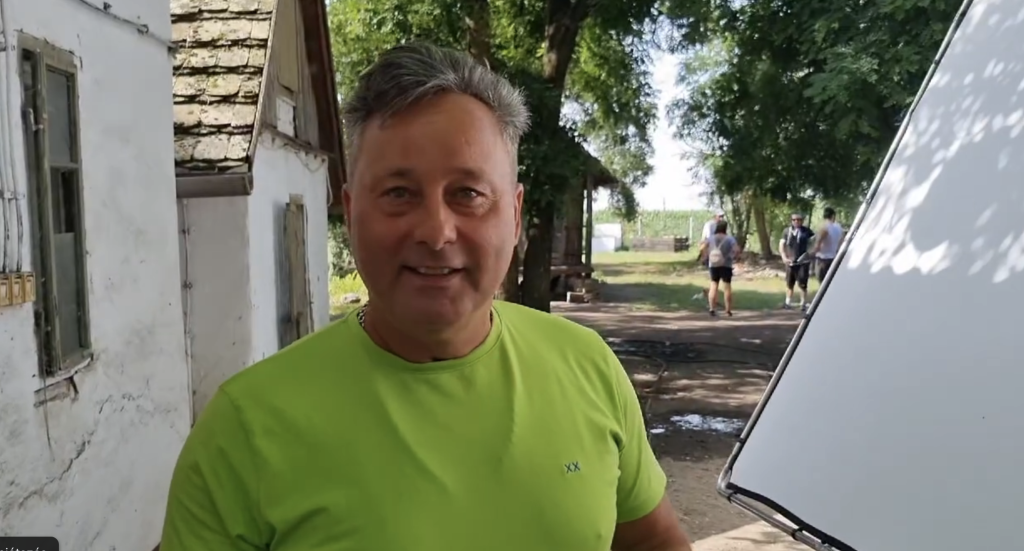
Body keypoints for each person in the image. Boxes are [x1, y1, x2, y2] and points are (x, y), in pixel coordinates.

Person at [159, 43, 692, 551]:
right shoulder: (244, 431)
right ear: (351, 212)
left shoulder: (587, 368)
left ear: (514, 215)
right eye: (399, 193)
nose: (436, 232)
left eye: (468, 193)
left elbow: (653, 541)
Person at [699, 220, 740, 317]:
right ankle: (728, 310)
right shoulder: (730, 239)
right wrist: (734, 256)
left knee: (713, 285)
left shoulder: (711, 238)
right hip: (726, 264)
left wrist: (705, 256)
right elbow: (736, 249)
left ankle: (712, 308)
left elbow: (702, 247)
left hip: (713, 264)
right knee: (727, 287)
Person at [779, 212, 814, 312]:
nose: (796, 221)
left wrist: (810, 253)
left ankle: (803, 303)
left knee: (803, 284)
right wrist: (784, 257)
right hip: (790, 262)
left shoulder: (807, 231)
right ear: (791, 221)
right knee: (789, 283)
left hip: (803, 262)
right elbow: (781, 245)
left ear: (802, 221)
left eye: (799, 220)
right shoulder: (787, 231)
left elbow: (814, 242)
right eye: (794, 220)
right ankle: (788, 302)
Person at [813, 207, 844, 283]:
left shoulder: (824, 227)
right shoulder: (839, 227)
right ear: (833, 216)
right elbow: (841, 242)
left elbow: (818, 243)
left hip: (823, 259)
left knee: (822, 282)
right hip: (833, 258)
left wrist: (811, 253)